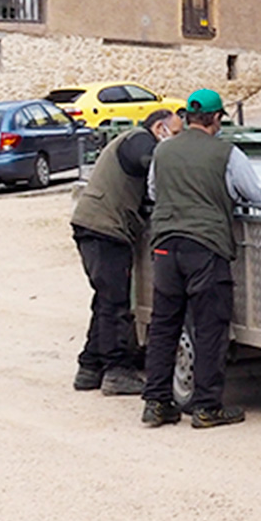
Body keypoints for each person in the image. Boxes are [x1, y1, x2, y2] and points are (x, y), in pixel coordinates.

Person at [140, 89, 261, 429]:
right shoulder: (227, 153)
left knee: (164, 326)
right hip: (205, 248)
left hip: (164, 248)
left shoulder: (163, 151)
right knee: (210, 328)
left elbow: (153, 192)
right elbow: (258, 195)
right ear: (217, 118)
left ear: (189, 117)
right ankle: (207, 407)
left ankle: (156, 403)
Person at [70, 108, 182, 395]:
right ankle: (117, 371)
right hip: (106, 229)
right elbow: (151, 163)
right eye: (176, 133)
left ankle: (90, 366)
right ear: (160, 128)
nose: (178, 140)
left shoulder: (132, 140)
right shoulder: (138, 141)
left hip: (95, 225)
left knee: (105, 299)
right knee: (116, 303)